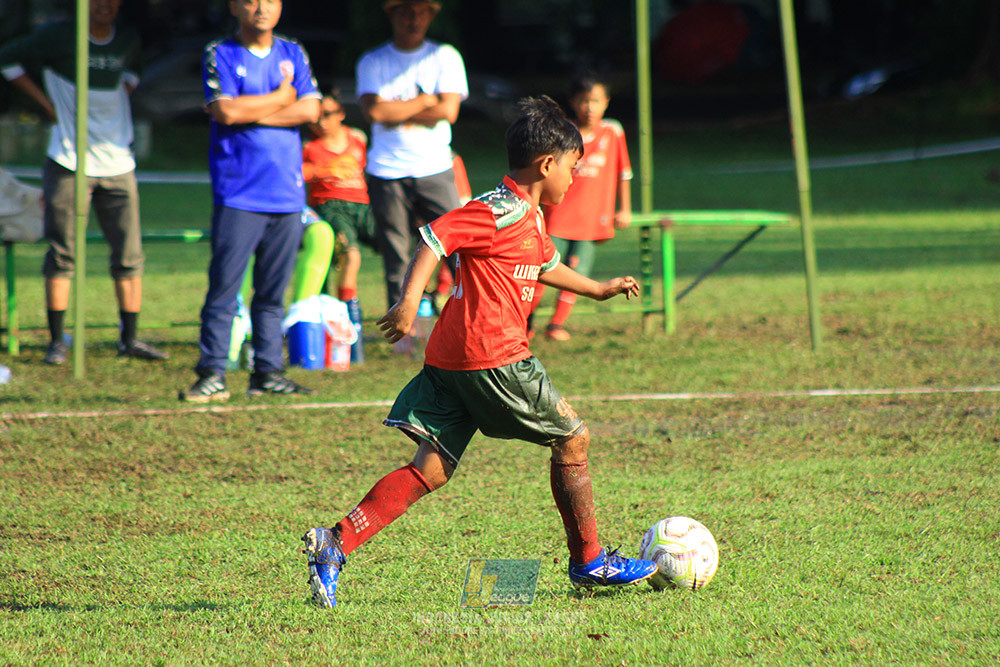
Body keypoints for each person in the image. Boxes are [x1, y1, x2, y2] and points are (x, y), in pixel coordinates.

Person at [301, 96, 657, 608]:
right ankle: (590, 562)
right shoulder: (498, 209)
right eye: (573, 169)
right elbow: (434, 239)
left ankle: (335, 541)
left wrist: (598, 289)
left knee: (431, 469)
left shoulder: (529, 216)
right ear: (547, 164)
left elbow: (548, 265)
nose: (575, 180)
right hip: (494, 354)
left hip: (453, 359)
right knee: (574, 439)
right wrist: (406, 304)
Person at [0, 0, 168, 365]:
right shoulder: (58, 37)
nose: (104, 4)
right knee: (63, 252)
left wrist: (118, 99)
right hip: (68, 158)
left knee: (129, 254)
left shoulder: (127, 39)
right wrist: (46, 105)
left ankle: (130, 338)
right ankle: (58, 341)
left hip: (118, 161)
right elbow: (8, 59)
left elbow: (133, 73)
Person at [179, 0, 320, 402]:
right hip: (239, 192)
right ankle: (212, 373)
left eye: (270, 0)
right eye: (252, 0)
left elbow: (310, 108)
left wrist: (252, 110)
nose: (261, 7)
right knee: (224, 288)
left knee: (273, 293)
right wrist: (281, 96)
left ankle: (268, 372)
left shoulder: (292, 51)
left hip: (287, 193)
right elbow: (224, 111)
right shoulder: (220, 52)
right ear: (234, 6)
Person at [355, 0, 468, 316]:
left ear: (431, 15)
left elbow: (448, 111)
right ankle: (403, 331)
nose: (414, 19)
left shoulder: (445, 56)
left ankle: (469, 317)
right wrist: (423, 100)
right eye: (405, 11)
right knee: (397, 255)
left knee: (456, 248)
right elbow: (375, 111)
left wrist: (396, 110)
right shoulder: (372, 61)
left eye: (422, 11)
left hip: (435, 168)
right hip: (386, 170)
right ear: (391, 14)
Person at [534, 72, 632, 342]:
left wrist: (624, 208)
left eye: (596, 100)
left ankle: (556, 324)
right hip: (558, 216)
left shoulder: (613, 132)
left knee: (577, 271)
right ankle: (525, 322)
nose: (590, 107)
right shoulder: (564, 133)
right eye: (584, 101)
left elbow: (624, 173)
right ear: (573, 102)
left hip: (591, 218)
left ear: (607, 102)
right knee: (542, 270)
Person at [301, 91, 375, 362]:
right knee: (351, 256)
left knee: (408, 241)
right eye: (317, 116)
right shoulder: (309, 148)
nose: (321, 121)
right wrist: (322, 170)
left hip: (363, 206)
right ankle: (348, 327)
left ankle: (428, 301)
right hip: (331, 206)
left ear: (341, 114)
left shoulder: (358, 141)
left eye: (328, 115)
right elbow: (298, 174)